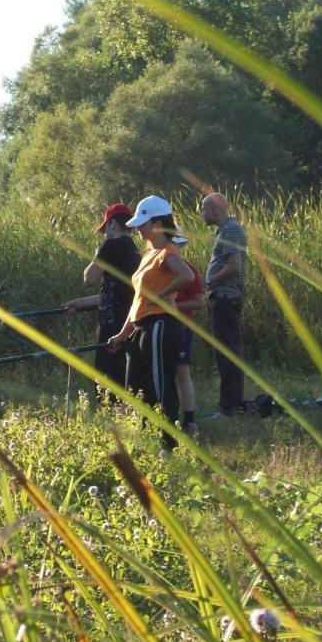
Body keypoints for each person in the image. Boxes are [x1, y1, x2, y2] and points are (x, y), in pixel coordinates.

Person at [108, 196, 194, 452]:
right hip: (143, 327)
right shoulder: (149, 254)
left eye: (143, 223)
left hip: (161, 326)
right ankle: (145, 441)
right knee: (138, 386)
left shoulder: (168, 252)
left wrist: (162, 294)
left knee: (160, 384)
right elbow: (139, 301)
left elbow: (187, 276)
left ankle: (168, 444)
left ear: (157, 224)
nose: (138, 228)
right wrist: (122, 334)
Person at [64, 204, 141, 395]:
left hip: (111, 321)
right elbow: (116, 291)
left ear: (113, 224)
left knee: (105, 375)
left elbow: (88, 278)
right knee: (124, 372)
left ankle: (108, 414)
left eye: (105, 228)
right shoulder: (135, 251)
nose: (104, 233)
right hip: (130, 320)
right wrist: (80, 303)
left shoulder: (110, 245)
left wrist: (98, 253)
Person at [202, 192, 247, 416]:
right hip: (220, 297)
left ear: (213, 209)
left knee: (227, 351)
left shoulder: (231, 229)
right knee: (224, 351)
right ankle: (230, 404)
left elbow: (233, 266)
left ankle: (230, 407)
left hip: (225, 297)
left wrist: (208, 280)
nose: (202, 214)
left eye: (204, 209)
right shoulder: (224, 230)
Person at [171, 236, 205, 435]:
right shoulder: (155, 268)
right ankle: (170, 417)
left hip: (182, 327)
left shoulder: (190, 270)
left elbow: (199, 302)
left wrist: (174, 307)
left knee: (182, 373)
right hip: (160, 327)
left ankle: (189, 421)